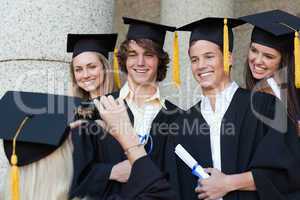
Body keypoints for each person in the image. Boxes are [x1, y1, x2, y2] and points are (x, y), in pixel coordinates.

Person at [170, 16, 300, 200]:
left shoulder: (265, 107)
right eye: (194, 59)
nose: (201, 66)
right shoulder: (184, 123)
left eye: (209, 56)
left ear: (229, 57)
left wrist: (227, 184)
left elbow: (285, 173)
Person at [70, 17, 181, 199]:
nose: (140, 62)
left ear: (159, 61)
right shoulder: (95, 109)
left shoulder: (178, 117)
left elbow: (178, 184)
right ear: (123, 59)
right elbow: (75, 178)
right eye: (132, 54)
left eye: (149, 54)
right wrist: (111, 172)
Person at [241, 9, 300, 135]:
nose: (257, 61)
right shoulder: (246, 99)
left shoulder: (294, 94)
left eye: (268, 56)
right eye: (254, 50)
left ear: (283, 60)